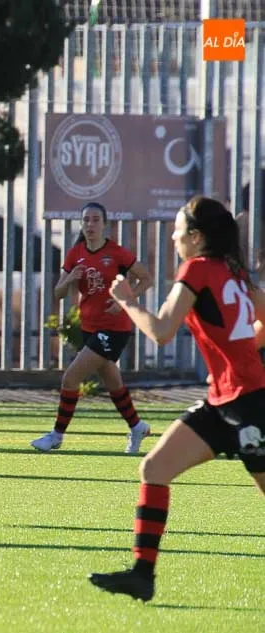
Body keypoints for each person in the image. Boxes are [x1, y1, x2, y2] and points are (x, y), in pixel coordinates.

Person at [89, 196, 265, 602]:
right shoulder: (233, 271)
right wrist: (240, 355)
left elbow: (162, 331)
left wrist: (127, 301)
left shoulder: (198, 269)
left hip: (250, 406)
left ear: (197, 237)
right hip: (224, 402)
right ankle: (142, 574)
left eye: (177, 229)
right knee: (155, 467)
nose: (173, 236)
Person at [31, 202, 154, 454]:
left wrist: (125, 302)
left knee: (71, 377)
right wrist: (70, 278)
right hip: (90, 328)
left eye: (95, 220)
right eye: (86, 220)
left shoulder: (117, 253)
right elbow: (58, 292)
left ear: (104, 224)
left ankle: (56, 436)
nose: (90, 225)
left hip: (114, 329)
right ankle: (137, 426)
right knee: (113, 384)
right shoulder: (75, 253)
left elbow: (147, 278)